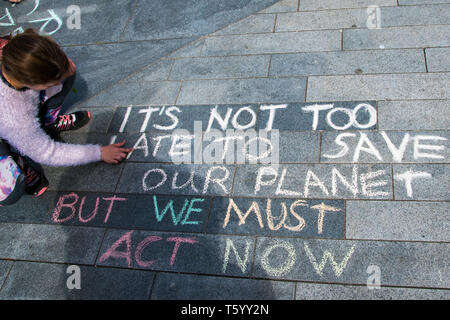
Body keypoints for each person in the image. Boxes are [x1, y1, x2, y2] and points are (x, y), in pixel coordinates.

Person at [0, 29, 132, 205]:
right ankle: (17, 159)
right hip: (10, 124)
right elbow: (48, 152)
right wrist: (99, 152)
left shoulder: (17, 50)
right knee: (9, 191)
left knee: (66, 73)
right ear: (30, 82)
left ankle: (48, 123)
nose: (55, 83)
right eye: (49, 82)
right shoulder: (14, 117)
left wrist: (61, 73)